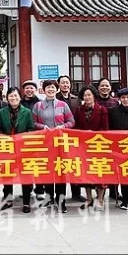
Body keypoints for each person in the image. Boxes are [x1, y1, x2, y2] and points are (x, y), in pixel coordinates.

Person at [31, 79, 75, 213]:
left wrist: (62, 126)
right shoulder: (38, 106)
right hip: (45, 144)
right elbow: (33, 123)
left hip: (60, 144)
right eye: (48, 87)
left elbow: (71, 122)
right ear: (43, 90)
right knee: (48, 171)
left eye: (53, 87)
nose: (50, 89)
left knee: (60, 171)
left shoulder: (63, 105)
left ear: (57, 89)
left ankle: (61, 200)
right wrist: (42, 126)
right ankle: (49, 197)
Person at [0, 87, 35, 212]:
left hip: (23, 148)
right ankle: (8, 200)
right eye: (11, 96)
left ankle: (26, 202)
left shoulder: (27, 112)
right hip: (7, 148)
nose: (13, 98)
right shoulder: (2, 112)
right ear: (7, 98)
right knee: (7, 175)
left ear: (20, 97)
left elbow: (31, 129)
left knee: (26, 176)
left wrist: (22, 139)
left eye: (16, 96)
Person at [73, 85, 109, 210]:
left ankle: (100, 199)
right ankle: (89, 199)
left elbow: (105, 128)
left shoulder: (102, 110)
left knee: (100, 172)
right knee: (86, 172)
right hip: (83, 146)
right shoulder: (79, 110)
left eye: (89, 95)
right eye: (85, 95)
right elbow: (76, 127)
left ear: (94, 96)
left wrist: (93, 134)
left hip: (98, 145)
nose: (87, 97)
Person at [57, 74, 85, 203]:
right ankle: (60, 194)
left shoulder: (76, 99)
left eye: (67, 82)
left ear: (70, 84)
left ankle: (76, 193)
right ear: (58, 85)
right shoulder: (55, 98)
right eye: (62, 82)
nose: (65, 85)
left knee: (74, 165)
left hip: (74, 136)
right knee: (60, 165)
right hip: (58, 137)